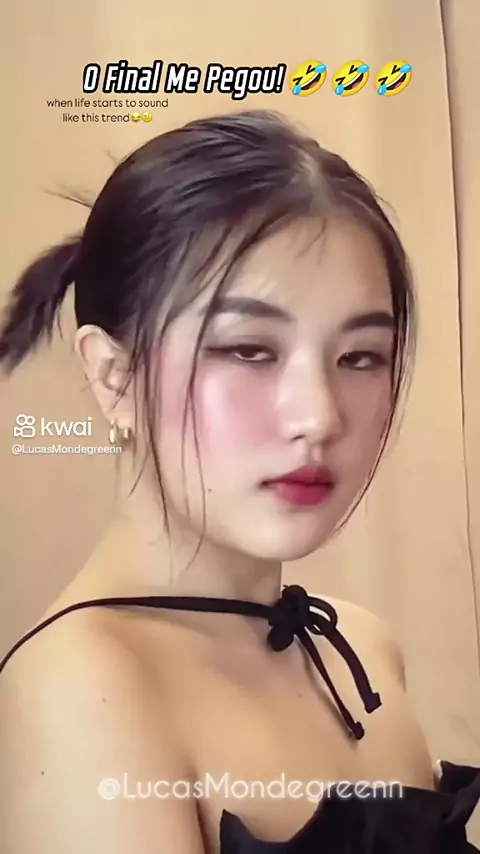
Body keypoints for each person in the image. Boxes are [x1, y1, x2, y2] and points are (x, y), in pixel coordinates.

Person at [0, 110, 478, 853]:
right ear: (114, 376)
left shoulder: (361, 649)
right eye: (249, 350)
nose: (318, 416)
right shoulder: (82, 690)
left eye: (360, 357)